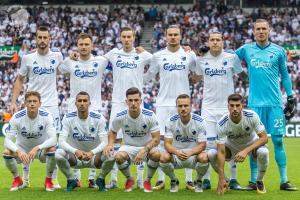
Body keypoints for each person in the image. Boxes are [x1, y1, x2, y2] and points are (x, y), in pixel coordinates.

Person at [235, 19, 298, 191]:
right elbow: (227, 57)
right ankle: (253, 181)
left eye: (264, 29)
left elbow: (285, 76)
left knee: (278, 140)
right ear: (253, 31)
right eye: (258, 29)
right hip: (255, 105)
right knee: (254, 142)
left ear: (269, 30)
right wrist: (240, 73)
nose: (261, 31)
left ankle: (284, 181)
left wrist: (291, 97)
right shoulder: (246, 49)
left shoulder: (278, 51)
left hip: (275, 104)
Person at [144, 24, 199, 190]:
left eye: (176, 34)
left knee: (189, 138)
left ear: (180, 36)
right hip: (163, 104)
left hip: (184, 103)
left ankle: (189, 179)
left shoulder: (189, 55)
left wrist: (199, 58)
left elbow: (196, 77)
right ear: (166, 36)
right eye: (170, 35)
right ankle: (161, 179)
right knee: (160, 141)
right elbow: (148, 77)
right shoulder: (158, 56)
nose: (173, 37)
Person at [10, 26, 62, 189]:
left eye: (45, 37)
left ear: (49, 39)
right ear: (36, 39)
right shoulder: (27, 58)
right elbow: (19, 80)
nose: (42, 40)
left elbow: (69, 68)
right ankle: (25, 179)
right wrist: (13, 101)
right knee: (27, 139)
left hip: (52, 106)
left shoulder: (58, 56)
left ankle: (53, 179)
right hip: (32, 103)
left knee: (54, 144)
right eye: (39, 37)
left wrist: (74, 56)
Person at [104, 27, 153, 189]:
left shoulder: (142, 55)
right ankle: (114, 179)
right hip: (118, 102)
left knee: (142, 139)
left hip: (137, 103)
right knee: (115, 139)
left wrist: (144, 78)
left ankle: (140, 179)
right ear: (120, 37)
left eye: (129, 37)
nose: (126, 39)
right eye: (124, 36)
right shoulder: (113, 53)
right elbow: (97, 60)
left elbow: (157, 63)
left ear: (134, 38)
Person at [194, 31, 244, 190]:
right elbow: (195, 78)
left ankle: (234, 179)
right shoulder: (202, 59)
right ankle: (207, 178)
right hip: (208, 108)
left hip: (226, 108)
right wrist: (196, 55)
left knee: (229, 143)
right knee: (209, 145)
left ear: (223, 41)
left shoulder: (231, 58)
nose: (215, 42)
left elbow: (242, 76)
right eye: (212, 40)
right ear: (208, 42)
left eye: (218, 39)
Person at [59, 32, 109, 188]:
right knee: (75, 139)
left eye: (87, 44)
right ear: (77, 45)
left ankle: (92, 178)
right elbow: (58, 69)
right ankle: (76, 177)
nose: (84, 47)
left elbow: (120, 55)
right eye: (81, 44)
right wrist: (68, 56)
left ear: (92, 45)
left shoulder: (100, 61)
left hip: (95, 107)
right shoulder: (70, 61)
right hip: (74, 105)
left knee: (94, 140)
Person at [103, 87, 160, 192]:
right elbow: (113, 131)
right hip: (128, 147)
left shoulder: (150, 115)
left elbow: (156, 138)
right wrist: (110, 144)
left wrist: (144, 150)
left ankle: (147, 180)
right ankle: (129, 179)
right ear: (126, 102)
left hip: (146, 147)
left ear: (140, 101)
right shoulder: (120, 116)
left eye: (136, 100)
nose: (133, 103)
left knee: (156, 153)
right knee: (118, 156)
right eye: (130, 100)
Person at [55, 91, 115, 192]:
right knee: (58, 154)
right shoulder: (68, 118)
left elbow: (105, 142)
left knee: (112, 154)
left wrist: (92, 152)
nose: (82, 103)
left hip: (94, 158)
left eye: (85, 101)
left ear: (89, 103)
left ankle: (101, 179)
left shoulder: (99, 118)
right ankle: (71, 180)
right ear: (75, 103)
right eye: (79, 101)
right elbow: (61, 141)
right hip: (75, 158)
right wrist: (75, 151)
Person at [210, 93, 269, 195]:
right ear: (228, 107)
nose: (235, 109)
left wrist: (246, 151)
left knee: (264, 152)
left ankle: (259, 181)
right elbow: (221, 151)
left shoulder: (252, 116)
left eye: (237, 105)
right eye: (232, 106)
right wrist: (221, 177)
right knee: (211, 154)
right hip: (231, 147)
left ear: (242, 106)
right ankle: (225, 181)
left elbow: (264, 138)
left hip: (251, 143)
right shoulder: (222, 123)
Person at [3, 91, 57, 192]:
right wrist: (18, 150)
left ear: (40, 104)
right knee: (7, 152)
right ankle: (17, 179)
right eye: (29, 101)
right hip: (22, 150)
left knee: (53, 149)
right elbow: (7, 141)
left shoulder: (47, 116)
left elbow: (54, 139)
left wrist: (37, 148)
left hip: (40, 150)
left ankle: (48, 180)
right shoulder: (17, 117)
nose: (32, 103)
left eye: (35, 101)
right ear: (25, 103)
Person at [160, 94, 209, 193]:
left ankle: (198, 180)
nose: (183, 108)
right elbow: (167, 144)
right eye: (180, 106)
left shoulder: (200, 121)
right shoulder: (170, 121)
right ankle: (174, 180)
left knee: (204, 157)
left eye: (186, 106)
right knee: (163, 157)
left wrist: (191, 153)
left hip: (193, 156)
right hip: (176, 156)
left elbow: (202, 145)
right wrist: (177, 152)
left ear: (191, 106)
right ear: (176, 107)